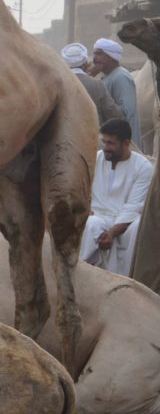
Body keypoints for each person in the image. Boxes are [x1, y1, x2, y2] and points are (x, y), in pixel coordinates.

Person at [79, 118, 154, 276]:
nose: (106, 147)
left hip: (126, 222)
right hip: (97, 216)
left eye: (111, 143)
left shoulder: (143, 167)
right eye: (104, 142)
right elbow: (80, 188)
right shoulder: (96, 158)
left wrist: (112, 233)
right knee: (92, 224)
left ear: (126, 143)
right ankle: (82, 275)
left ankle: (130, 281)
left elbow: (134, 207)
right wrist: (84, 207)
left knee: (139, 227)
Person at [92, 38, 140, 147]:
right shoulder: (108, 77)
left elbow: (126, 113)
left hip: (123, 144)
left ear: (111, 56)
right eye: (94, 54)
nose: (94, 59)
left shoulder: (121, 77)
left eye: (99, 54)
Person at [61, 43, 124, 126]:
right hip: (92, 135)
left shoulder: (56, 84)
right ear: (85, 63)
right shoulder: (96, 85)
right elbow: (112, 113)